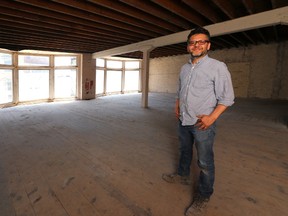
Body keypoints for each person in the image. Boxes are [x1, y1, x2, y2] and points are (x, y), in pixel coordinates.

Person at [162, 27, 235, 216]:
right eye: (193, 42)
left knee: (204, 161)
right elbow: (181, 89)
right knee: (184, 150)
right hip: (184, 118)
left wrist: (212, 117)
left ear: (208, 45)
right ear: (188, 46)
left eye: (201, 41)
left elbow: (227, 97)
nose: (197, 45)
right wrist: (178, 103)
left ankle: (204, 195)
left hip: (203, 123)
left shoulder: (217, 67)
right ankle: (182, 174)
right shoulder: (184, 68)